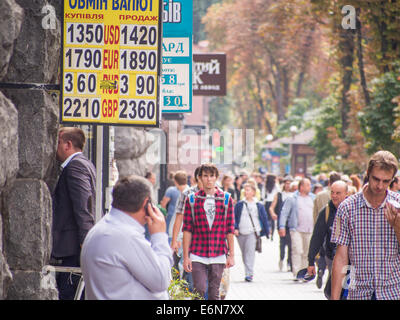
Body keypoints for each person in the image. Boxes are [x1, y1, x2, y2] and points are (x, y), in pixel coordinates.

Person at [81, 175, 173, 299]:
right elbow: (161, 280)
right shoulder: (125, 236)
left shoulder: (103, 228)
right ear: (146, 203)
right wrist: (159, 235)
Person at [331, 150, 400, 300]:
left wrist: (397, 227)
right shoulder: (347, 207)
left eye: (386, 181)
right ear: (368, 173)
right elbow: (341, 257)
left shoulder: (398, 205)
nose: (380, 186)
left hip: (393, 291)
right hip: (359, 291)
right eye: (376, 179)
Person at [51, 127, 96, 300]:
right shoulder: (84, 163)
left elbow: (83, 206)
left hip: (74, 249)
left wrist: (85, 243)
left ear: (68, 144)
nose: (56, 147)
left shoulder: (76, 166)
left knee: (69, 293)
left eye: (58, 142)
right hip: (74, 247)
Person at [182, 163, 235, 300]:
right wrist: (186, 256)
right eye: (205, 176)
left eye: (212, 176)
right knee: (199, 289)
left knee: (214, 293)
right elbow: (187, 229)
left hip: (218, 252)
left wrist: (231, 254)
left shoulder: (226, 199)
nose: (209, 179)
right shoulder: (192, 199)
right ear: (200, 178)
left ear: (216, 177)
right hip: (198, 252)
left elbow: (229, 228)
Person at [306, 180, 348, 297]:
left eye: (338, 193)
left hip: (352, 259)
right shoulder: (326, 211)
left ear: (346, 194)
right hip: (333, 258)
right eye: (332, 192)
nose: (334, 196)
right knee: (331, 291)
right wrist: (310, 262)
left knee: (347, 291)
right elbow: (317, 237)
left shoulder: (353, 210)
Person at [278, 178, 315, 280]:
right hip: (296, 229)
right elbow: (284, 213)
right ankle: (297, 272)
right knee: (297, 250)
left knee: (307, 252)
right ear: (301, 187)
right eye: (308, 185)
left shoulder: (313, 198)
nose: (310, 187)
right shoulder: (292, 198)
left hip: (310, 229)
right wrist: (281, 226)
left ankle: (305, 272)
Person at [234, 183, 270, 282]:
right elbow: (235, 217)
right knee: (244, 253)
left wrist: (267, 232)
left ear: (254, 192)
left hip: (252, 232)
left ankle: (249, 274)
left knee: (249, 253)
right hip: (241, 233)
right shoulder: (239, 204)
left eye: (248, 190)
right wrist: (235, 228)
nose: (246, 192)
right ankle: (248, 270)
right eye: (245, 190)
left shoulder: (258, 205)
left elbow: (264, 218)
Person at [311, 171, 341, 288]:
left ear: (329, 182)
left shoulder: (320, 195)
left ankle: (321, 270)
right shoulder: (343, 196)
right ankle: (330, 277)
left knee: (322, 252)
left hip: (323, 229)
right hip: (334, 232)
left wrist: (317, 227)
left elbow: (315, 214)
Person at [270, 175, 294, 271]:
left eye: (290, 183)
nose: (288, 185)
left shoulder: (294, 195)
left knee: (291, 243)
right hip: (281, 222)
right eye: (286, 183)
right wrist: (273, 213)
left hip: (291, 222)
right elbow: (271, 207)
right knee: (282, 242)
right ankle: (281, 258)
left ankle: (289, 262)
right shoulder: (279, 195)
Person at [160, 171, 185, 236]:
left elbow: (163, 204)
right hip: (184, 219)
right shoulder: (190, 191)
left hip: (171, 217)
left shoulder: (171, 190)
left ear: (175, 181)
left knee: (170, 236)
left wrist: (164, 215)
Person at [264, 174, 280, 241]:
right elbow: (279, 191)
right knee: (273, 219)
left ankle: (268, 232)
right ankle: (272, 234)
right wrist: (277, 183)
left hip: (267, 202)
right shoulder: (275, 185)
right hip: (274, 202)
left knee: (267, 219)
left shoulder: (265, 185)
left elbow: (263, 195)